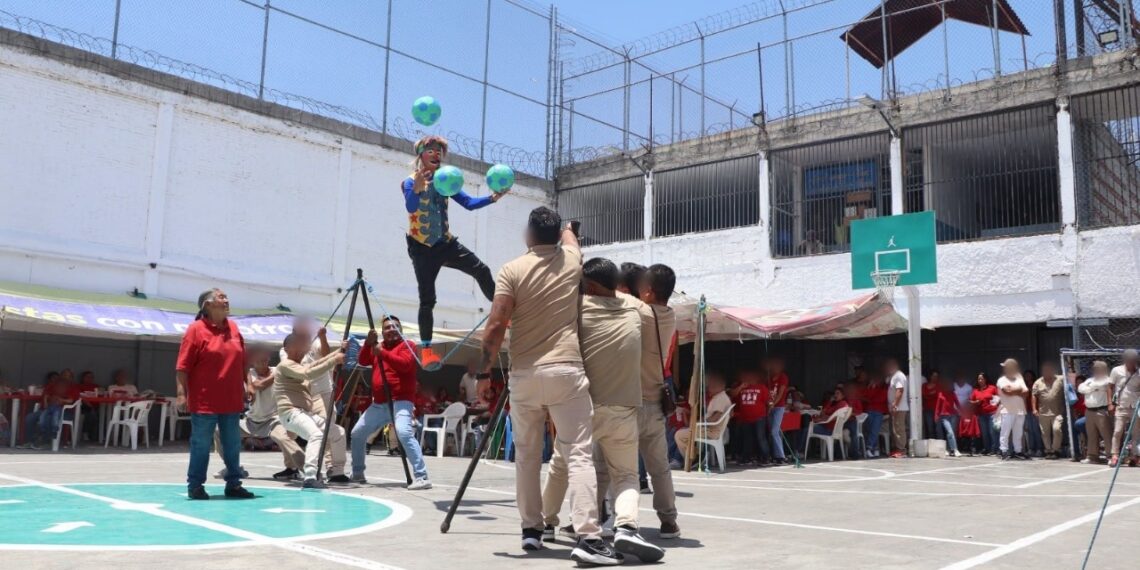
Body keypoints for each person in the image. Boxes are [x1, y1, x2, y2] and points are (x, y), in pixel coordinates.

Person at [479, 207, 618, 565]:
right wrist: (571, 229)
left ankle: (531, 530)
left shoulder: (511, 270)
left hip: (524, 375)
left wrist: (483, 374)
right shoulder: (571, 260)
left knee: (526, 456)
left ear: (528, 233)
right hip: (565, 372)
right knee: (578, 454)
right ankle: (588, 535)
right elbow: (572, 242)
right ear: (557, 236)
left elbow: (495, 326)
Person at [541, 257, 664, 563]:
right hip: (624, 407)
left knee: (561, 464)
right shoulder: (637, 312)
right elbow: (625, 300)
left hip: (584, 407)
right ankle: (626, 526)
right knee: (626, 475)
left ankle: (546, 522)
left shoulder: (577, 310)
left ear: (590, 286)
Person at [404, 135, 510, 371]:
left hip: (445, 243)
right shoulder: (410, 182)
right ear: (421, 155)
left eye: (439, 152)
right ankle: (428, 352)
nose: (436, 155)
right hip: (422, 248)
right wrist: (418, 190)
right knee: (427, 299)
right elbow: (411, 207)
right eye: (431, 151)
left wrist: (492, 198)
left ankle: (503, 316)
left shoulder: (445, 181)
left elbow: (469, 203)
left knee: (481, 270)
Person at [175, 289, 254, 500]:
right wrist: (182, 394)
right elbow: (183, 367)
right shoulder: (195, 330)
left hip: (231, 399)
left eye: (227, 297)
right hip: (204, 401)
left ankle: (234, 484)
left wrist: (249, 385)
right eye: (221, 298)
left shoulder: (235, 328)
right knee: (201, 444)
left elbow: (242, 363)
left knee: (232, 445)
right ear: (207, 305)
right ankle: (195, 486)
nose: (226, 300)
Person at [622, 263, 682, 539]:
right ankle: (668, 520)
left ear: (647, 291)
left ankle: (621, 520)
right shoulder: (668, 315)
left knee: (619, 468)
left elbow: (618, 299)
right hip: (656, 403)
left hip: (632, 402)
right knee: (659, 468)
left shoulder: (640, 313)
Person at [351, 316, 432, 489]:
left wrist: (382, 353)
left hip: (401, 401)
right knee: (357, 433)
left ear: (401, 329)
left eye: (395, 326)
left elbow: (405, 365)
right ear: (382, 332)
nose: (391, 329)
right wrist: (368, 344)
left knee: (404, 433)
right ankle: (357, 472)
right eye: (387, 327)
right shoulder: (377, 347)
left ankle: (422, 476)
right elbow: (363, 361)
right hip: (379, 403)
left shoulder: (408, 345)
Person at [277, 333, 350, 488]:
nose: (301, 349)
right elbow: (308, 373)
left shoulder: (298, 365)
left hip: (303, 413)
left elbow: (314, 365)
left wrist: (338, 352)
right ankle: (310, 476)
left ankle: (337, 471)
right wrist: (334, 360)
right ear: (286, 349)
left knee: (338, 432)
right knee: (316, 435)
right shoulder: (285, 365)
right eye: (296, 346)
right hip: (291, 413)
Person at [244, 350, 305, 480]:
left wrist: (280, 371)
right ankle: (232, 467)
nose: (262, 360)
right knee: (218, 431)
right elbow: (258, 385)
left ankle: (308, 470)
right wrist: (278, 374)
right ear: (252, 360)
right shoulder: (249, 375)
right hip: (251, 421)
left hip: (273, 419)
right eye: (258, 358)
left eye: (265, 357)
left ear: (269, 358)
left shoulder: (277, 369)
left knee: (285, 438)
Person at [674, 372, 732, 465]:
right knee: (682, 432)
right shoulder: (719, 397)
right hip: (708, 429)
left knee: (679, 435)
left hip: (710, 431)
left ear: (721, 386)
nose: (709, 388)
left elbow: (716, 417)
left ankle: (693, 458)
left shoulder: (721, 398)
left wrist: (701, 422)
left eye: (712, 386)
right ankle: (696, 455)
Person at [19, 371, 74, 449]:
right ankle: (29, 441)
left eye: (68, 376)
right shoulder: (53, 385)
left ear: (72, 378)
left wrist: (61, 400)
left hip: (63, 411)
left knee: (48, 418)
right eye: (64, 375)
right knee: (29, 417)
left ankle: (46, 442)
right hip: (47, 409)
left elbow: (72, 400)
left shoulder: (73, 387)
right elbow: (45, 395)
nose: (65, 377)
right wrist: (45, 403)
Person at [730, 370, 771, 466]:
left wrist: (768, 412)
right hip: (745, 418)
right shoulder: (741, 388)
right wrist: (740, 387)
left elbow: (768, 402)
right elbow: (732, 395)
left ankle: (766, 458)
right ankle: (746, 458)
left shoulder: (761, 387)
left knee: (761, 438)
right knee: (747, 439)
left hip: (759, 417)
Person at [1110, 349, 1140, 467]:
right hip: (1121, 406)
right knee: (1117, 431)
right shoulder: (1116, 371)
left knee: (1136, 434)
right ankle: (1114, 455)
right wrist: (1110, 403)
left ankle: (1134, 456)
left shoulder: (1139, 372)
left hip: (1135, 407)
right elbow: (1110, 386)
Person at [1080, 361, 1114, 464]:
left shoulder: (1108, 380)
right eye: (1094, 368)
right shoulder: (1089, 380)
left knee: (1107, 434)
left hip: (1101, 410)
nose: (1095, 370)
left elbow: (1102, 384)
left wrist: (1090, 388)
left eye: (1097, 368)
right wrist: (1094, 388)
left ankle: (1110, 456)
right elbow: (1081, 388)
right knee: (1091, 434)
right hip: (1089, 411)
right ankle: (1092, 456)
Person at [996, 358, 1029, 461]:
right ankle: (1003, 450)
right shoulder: (1002, 380)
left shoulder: (1019, 377)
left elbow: (1026, 392)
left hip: (1020, 410)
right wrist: (1019, 390)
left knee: (1018, 432)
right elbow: (1007, 391)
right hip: (1007, 410)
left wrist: (1014, 390)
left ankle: (1018, 451)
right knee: (1005, 432)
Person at [1031, 362, 1066, 460]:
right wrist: (1034, 409)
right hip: (1043, 412)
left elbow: (1071, 375)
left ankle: (1055, 450)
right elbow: (1034, 395)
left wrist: (1070, 364)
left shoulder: (1060, 379)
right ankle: (1049, 451)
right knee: (1045, 433)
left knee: (1056, 429)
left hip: (1057, 412)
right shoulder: (1038, 382)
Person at [767, 357, 791, 464]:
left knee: (774, 431)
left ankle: (781, 456)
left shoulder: (783, 377)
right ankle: (776, 455)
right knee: (774, 432)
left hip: (778, 407)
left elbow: (781, 393)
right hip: (770, 407)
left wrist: (773, 404)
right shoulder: (769, 378)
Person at [970, 373, 999, 455]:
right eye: (978, 379)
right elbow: (970, 401)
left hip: (992, 413)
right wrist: (976, 402)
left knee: (992, 432)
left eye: (981, 379)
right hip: (981, 414)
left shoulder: (992, 388)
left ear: (985, 379)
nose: (980, 380)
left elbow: (998, 398)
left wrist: (994, 403)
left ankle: (994, 449)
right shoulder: (975, 391)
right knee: (985, 433)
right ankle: (987, 449)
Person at [885, 358, 909, 458]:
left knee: (899, 429)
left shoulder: (898, 376)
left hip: (899, 407)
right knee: (896, 429)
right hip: (897, 407)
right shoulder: (894, 376)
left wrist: (895, 405)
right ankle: (898, 449)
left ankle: (902, 450)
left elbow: (900, 390)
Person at [861, 373, 888, 458]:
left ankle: (868, 448)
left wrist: (871, 399)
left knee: (874, 430)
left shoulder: (885, 388)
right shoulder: (870, 387)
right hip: (869, 411)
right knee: (871, 430)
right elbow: (865, 397)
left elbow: (881, 399)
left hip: (879, 411)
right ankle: (875, 449)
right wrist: (871, 388)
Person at [935, 377, 962, 457]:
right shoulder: (940, 394)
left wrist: (962, 412)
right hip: (944, 417)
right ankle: (955, 449)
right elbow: (938, 406)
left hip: (953, 415)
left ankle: (950, 450)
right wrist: (936, 416)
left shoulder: (953, 394)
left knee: (951, 433)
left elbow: (958, 404)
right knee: (950, 432)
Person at [1022, 369, 1044, 457]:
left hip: (1035, 410)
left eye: (1029, 375)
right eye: (1026, 375)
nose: (1027, 377)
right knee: (1029, 430)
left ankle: (1039, 449)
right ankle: (1031, 448)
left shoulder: (1036, 384)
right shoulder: (1023, 385)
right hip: (1027, 410)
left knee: (1036, 430)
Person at [921, 370, 942, 440]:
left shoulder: (939, 385)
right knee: (930, 428)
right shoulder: (924, 385)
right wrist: (932, 394)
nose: (935, 378)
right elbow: (923, 395)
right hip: (927, 409)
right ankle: (932, 445)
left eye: (936, 376)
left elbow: (939, 396)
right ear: (930, 376)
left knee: (938, 428)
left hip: (937, 410)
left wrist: (929, 394)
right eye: (933, 376)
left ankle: (939, 445)